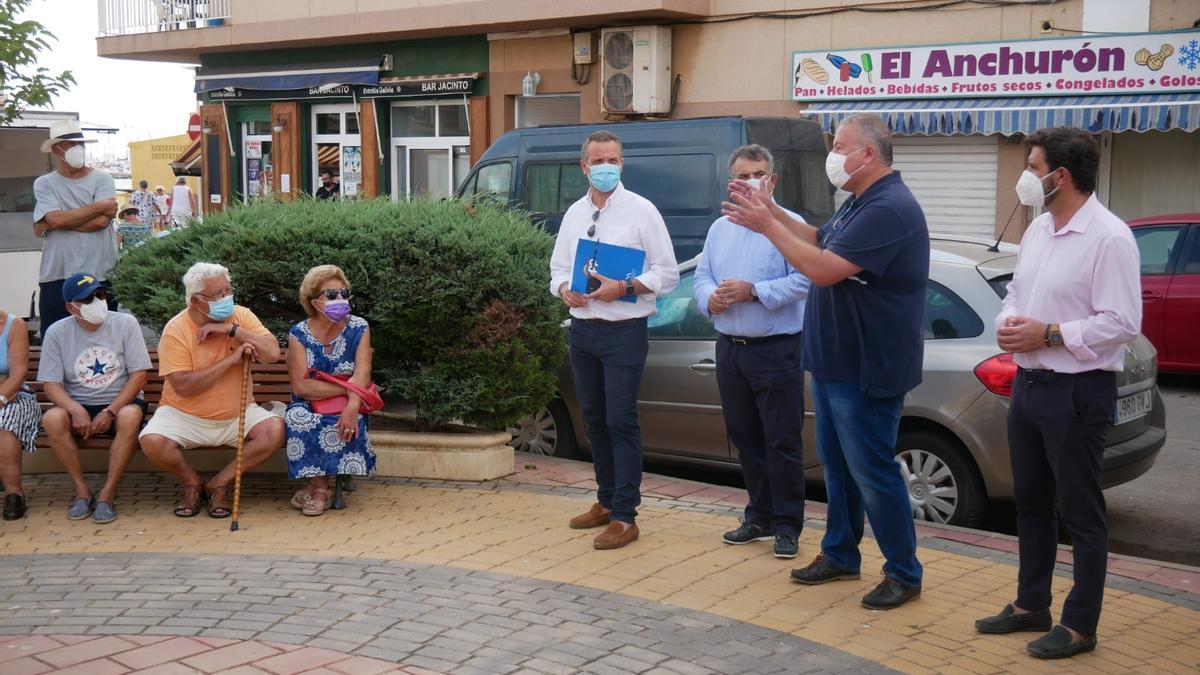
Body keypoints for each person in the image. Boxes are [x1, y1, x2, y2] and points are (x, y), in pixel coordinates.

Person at [723, 113, 927, 610]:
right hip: (836, 362)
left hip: (867, 366)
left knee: (873, 470)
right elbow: (817, 238)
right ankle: (840, 552)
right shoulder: (858, 202)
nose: (833, 155)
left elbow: (821, 269)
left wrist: (767, 224)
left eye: (840, 146)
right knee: (837, 469)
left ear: (868, 155)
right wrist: (772, 207)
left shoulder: (890, 208)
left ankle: (903, 570)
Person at [974, 128, 1141, 660]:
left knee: (1081, 510)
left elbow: (1121, 321)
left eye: (1032, 165)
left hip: (1077, 392)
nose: (1026, 176)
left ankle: (1080, 625)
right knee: (1031, 503)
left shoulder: (1110, 237)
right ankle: (1030, 604)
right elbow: (1018, 291)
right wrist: (1009, 321)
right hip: (1030, 384)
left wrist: (1048, 334)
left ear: (1060, 176)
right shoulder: (1040, 229)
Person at [548, 130, 679, 550]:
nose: (607, 167)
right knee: (595, 420)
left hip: (625, 331)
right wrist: (564, 288)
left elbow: (668, 274)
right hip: (583, 330)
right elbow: (557, 268)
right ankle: (605, 501)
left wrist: (623, 287)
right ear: (585, 167)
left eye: (615, 160)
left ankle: (626, 515)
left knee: (622, 420)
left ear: (622, 164)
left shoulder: (642, 211)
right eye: (599, 160)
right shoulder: (573, 214)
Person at [693, 145, 811, 560]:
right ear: (732, 181)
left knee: (782, 442)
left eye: (758, 173)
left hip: (777, 350)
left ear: (772, 180)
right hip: (731, 349)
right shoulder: (719, 229)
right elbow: (701, 276)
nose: (750, 181)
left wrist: (755, 292)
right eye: (743, 175)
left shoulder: (791, 225)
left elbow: (806, 280)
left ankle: (787, 526)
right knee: (745, 439)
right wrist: (712, 299)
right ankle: (758, 515)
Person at [138, 262, 285, 519]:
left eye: (228, 291)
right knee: (152, 441)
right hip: (183, 413)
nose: (226, 298)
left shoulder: (240, 316)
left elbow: (272, 353)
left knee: (274, 431)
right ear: (196, 301)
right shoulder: (176, 329)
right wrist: (231, 360)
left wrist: (233, 330)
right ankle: (191, 483)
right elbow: (184, 387)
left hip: (237, 412)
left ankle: (218, 483)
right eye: (218, 294)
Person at [38, 273, 152, 524]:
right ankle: (82, 491)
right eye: (87, 299)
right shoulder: (57, 332)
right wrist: (74, 409)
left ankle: (107, 495)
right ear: (71, 307)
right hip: (78, 403)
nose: (97, 301)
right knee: (53, 418)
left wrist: (110, 410)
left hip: (120, 402)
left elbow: (139, 376)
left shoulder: (125, 323)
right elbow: (51, 384)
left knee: (130, 415)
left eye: (99, 295)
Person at [284, 265, 374, 516]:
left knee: (350, 416)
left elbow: (363, 373)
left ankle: (315, 486)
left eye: (343, 293)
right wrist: (346, 387)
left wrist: (352, 402)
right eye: (331, 295)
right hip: (309, 401)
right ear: (315, 302)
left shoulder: (359, 327)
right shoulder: (298, 334)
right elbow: (301, 385)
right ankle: (321, 487)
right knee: (298, 417)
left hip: (350, 400)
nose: (340, 299)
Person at [32, 119, 119, 338]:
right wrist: (99, 206)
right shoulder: (44, 183)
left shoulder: (104, 179)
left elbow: (101, 223)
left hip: (100, 274)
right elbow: (55, 219)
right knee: (56, 338)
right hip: (57, 274)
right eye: (69, 144)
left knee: (104, 338)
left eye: (80, 143)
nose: (76, 149)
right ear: (55, 150)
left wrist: (57, 221)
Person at [0, 308, 38, 521]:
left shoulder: (14, 325)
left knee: (4, 422)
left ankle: (14, 493)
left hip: (15, 396)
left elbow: (18, 373)